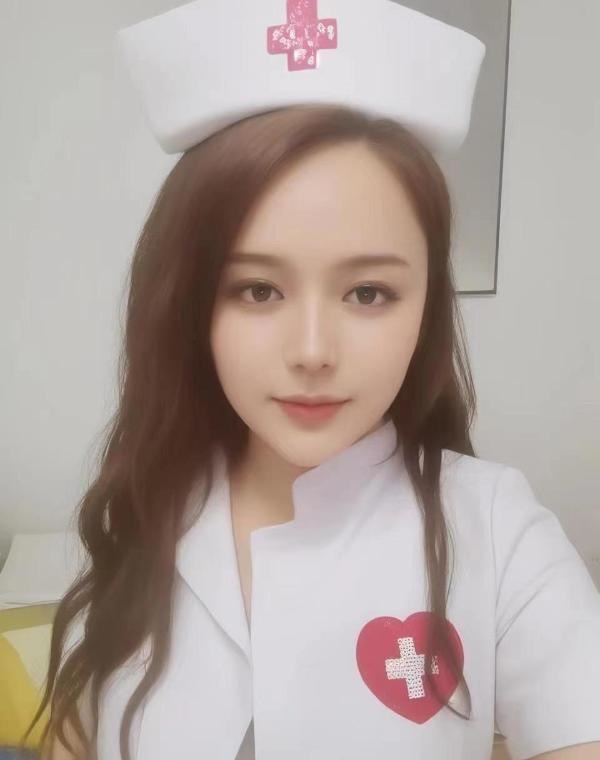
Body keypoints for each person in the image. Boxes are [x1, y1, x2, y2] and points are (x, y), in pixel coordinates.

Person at [22, 1, 600, 760]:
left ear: (427, 304)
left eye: (369, 293)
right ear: (190, 305)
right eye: (258, 290)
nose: (313, 351)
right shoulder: (144, 509)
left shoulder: (498, 530)